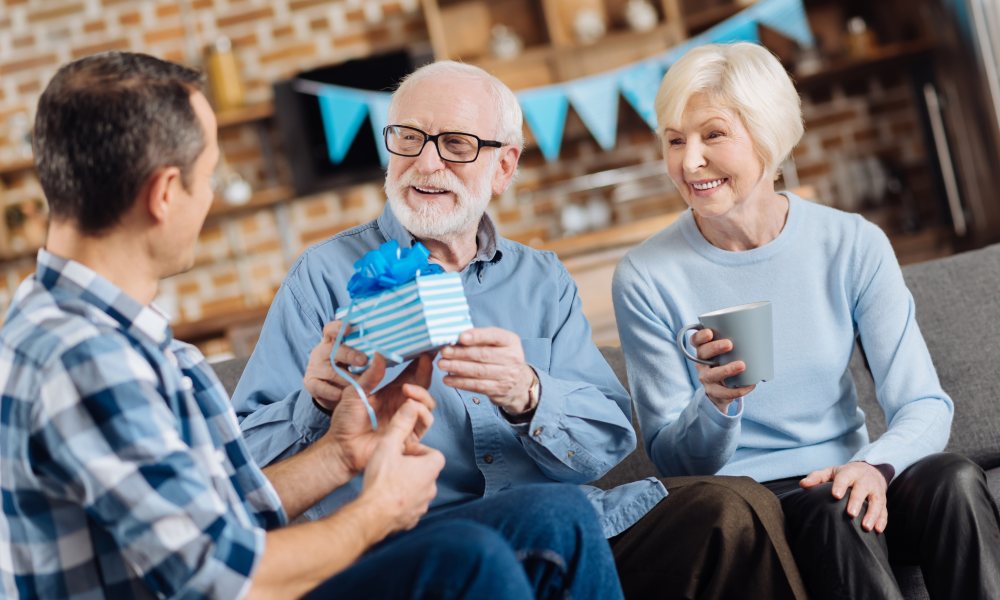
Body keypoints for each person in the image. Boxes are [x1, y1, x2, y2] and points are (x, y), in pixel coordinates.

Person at [0, 51, 616, 600]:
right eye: (208, 176)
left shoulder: (117, 339)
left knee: (556, 518)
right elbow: (217, 575)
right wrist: (375, 511)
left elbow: (220, 509)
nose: (210, 198)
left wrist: (340, 454)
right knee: (471, 560)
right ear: (165, 194)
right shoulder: (86, 357)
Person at [233, 59, 808, 599]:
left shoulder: (541, 278)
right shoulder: (324, 276)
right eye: (408, 138)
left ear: (503, 166)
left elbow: (608, 440)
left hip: (571, 527)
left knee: (734, 508)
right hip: (414, 544)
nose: (426, 164)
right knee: (547, 524)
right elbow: (235, 472)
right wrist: (315, 400)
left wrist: (529, 395)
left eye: (456, 145)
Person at [612, 42, 1000, 599]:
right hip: (760, 502)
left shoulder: (851, 243)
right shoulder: (646, 275)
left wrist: (875, 467)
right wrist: (717, 404)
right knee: (836, 507)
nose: (688, 161)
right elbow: (674, 460)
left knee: (955, 479)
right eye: (675, 140)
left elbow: (923, 403)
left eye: (712, 135)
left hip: (854, 473)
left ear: (767, 136)